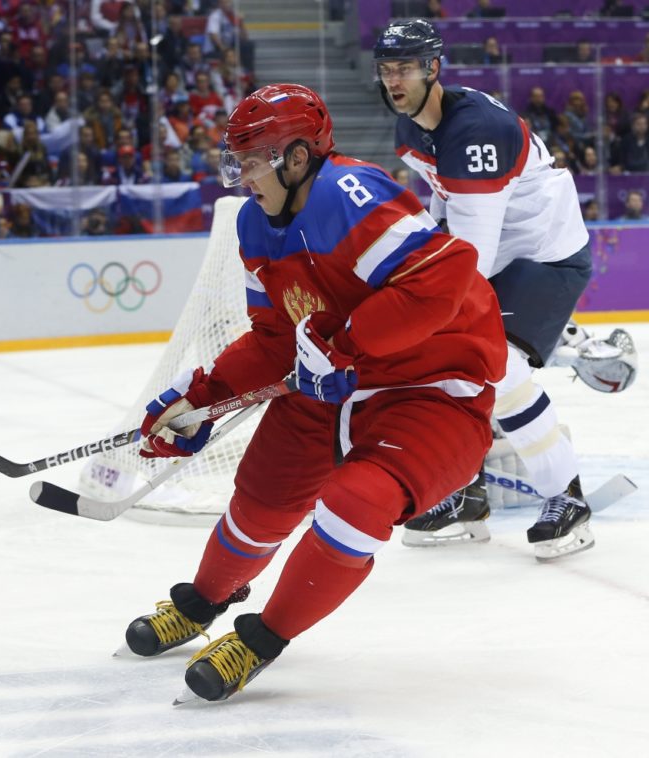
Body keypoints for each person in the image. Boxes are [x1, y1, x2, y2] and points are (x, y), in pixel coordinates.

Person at [121, 83, 507, 702]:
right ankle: (201, 603)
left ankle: (261, 639)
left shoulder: (349, 194)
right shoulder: (254, 224)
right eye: (238, 161)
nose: (243, 177)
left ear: (296, 157)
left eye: (252, 161)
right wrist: (205, 395)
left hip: (432, 389)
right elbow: (276, 336)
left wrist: (348, 342)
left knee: (356, 502)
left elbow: (446, 275)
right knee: (262, 495)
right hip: (334, 380)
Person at [373, 19, 599, 560]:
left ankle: (567, 498)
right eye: (386, 69)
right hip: (500, 246)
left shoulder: (476, 132)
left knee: (499, 367)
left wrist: (410, 293)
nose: (394, 80)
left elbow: (469, 259)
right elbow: (444, 198)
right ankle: (465, 495)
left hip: (545, 255)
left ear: (433, 68)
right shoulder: (411, 128)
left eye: (405, 68)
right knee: (444, 367)